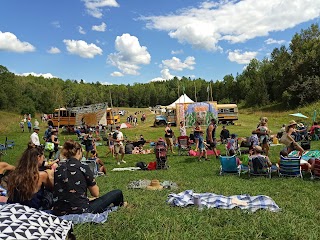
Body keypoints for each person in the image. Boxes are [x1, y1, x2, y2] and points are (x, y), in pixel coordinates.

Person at [52, 140, 125, 215]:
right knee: (117, 193)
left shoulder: (58, 168)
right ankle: (122, 205)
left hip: (59, 210)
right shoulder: (83, 167)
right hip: (81, 210)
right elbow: (95, 193)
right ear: (79, 151)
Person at [7, 143, 54, 210]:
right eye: (43, 157)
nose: (43, 159)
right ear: (38, 158)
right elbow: (51, 188)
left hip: (14, 205)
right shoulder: (41, 175)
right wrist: (49, 174)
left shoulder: (16, 173)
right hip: (32, 208)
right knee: (49, 193)